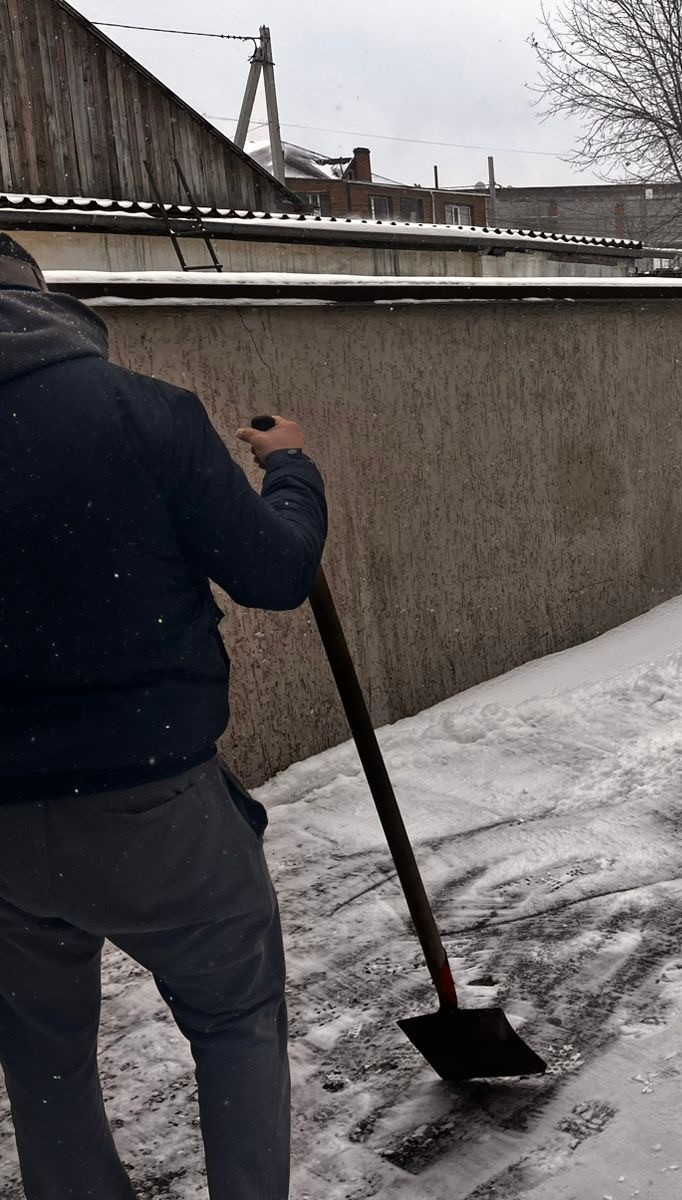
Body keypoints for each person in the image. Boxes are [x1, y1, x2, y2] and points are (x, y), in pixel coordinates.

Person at [0, 234, 327, 1199]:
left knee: (44, 1053)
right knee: (233, 1020)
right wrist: (293, 469)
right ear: (40, 302)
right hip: (155, 805)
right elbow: (275, 573)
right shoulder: (141, 412)